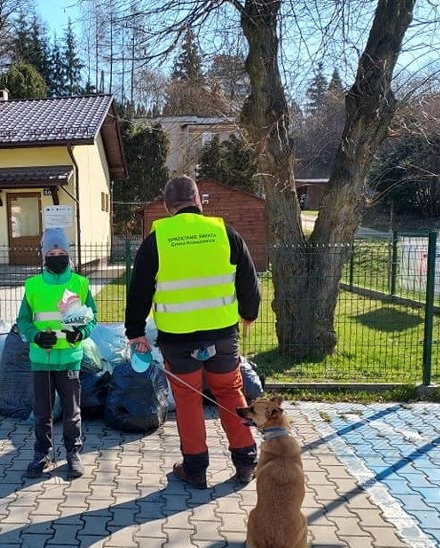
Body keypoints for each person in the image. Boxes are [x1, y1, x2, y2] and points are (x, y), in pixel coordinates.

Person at [125, 175, 261, 489]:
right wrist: (249, 314)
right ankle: (246, 461)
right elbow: (249, 281)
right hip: (223, 336)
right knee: (230, 393)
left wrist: (135, 332)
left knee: (187, 400)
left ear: (167, 206)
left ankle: (195, 468)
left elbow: (139, 291)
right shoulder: (225, 233)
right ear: (198, 199)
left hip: (178, 340)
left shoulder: (157, 241)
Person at [16, 227, 98, 479]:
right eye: (51, 251)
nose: (56, 255)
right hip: (41, 360)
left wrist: (81, 334)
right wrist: (36, 336)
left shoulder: (80, 283)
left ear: (69, 254)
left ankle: (73, 454)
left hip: (70, 359)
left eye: (61, 251)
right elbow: (24, 321)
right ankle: (41, 453)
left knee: (72, 411)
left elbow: (92, 317)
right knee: (42, 411)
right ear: (43, 255)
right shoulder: (32, 286)